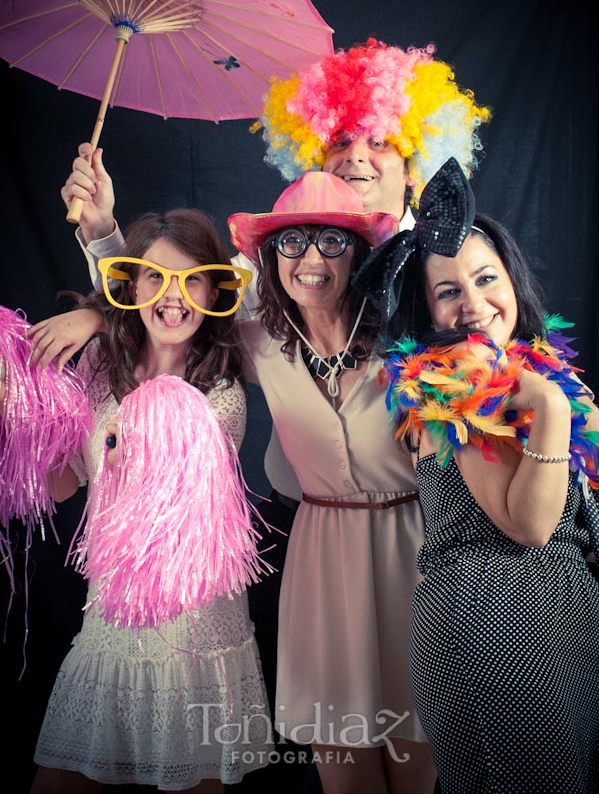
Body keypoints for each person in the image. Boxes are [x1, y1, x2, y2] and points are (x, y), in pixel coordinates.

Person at [29, 171, 438, 793]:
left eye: (332, 241)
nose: (310, 260)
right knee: (339, 748)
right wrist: (88, 304)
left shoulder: (389, 337)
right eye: (291, 243)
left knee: (413, 742)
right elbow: (158, 299)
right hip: (277, 563)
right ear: (272, 258)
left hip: (396, 550)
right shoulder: (249, 343)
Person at [353, 158, 599, 794]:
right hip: (493, 629)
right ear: (428, 313)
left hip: (560, 620)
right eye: (448, 291)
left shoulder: (538, 373)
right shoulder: (448, 391)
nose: (475, 304)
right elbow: (532, 525)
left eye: (485, 278)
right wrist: (548, 410)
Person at [17, 208, 275, 793]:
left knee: (192, 782)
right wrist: (26, 417)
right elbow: (64, 480)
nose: (174, 296)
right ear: (131, 285)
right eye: (156, 277)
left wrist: (123, 446)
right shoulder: (99, 370)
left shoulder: (222, 392)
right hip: (110, 624)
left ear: (214, 290)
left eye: (192, 279)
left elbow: (172, 509)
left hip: (191, 633)